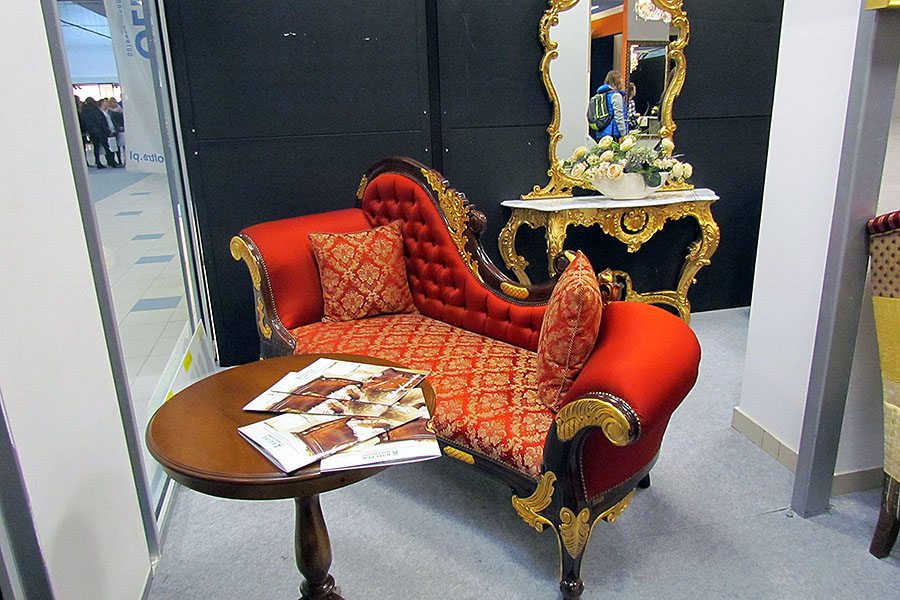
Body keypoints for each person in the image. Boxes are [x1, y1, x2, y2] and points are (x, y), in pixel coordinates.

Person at [587, 70, 628, 141]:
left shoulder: (600, 95)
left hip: (600, 133)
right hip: (612, 134)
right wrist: (624, 134)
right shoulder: (616, 96)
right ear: (618, 82)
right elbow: (619, 117)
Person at [80, 97, 121, 168]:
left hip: (92, 132)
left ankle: (98, 162)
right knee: (107, 147)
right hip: (100, 131)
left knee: (96, 147)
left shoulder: (84, 111)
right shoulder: (95, 110)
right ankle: (112, 162)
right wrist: (106, 130)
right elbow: (100, 121)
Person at [107, 98, 125, 165]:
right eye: (113, 102)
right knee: (115, 146)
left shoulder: (120, 110)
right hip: (115, 130)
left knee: (123, 145)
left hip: (121, 129)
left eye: (115, 102)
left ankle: (124, 159)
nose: (115, 103)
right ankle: (118, 160)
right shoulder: (109, 111)